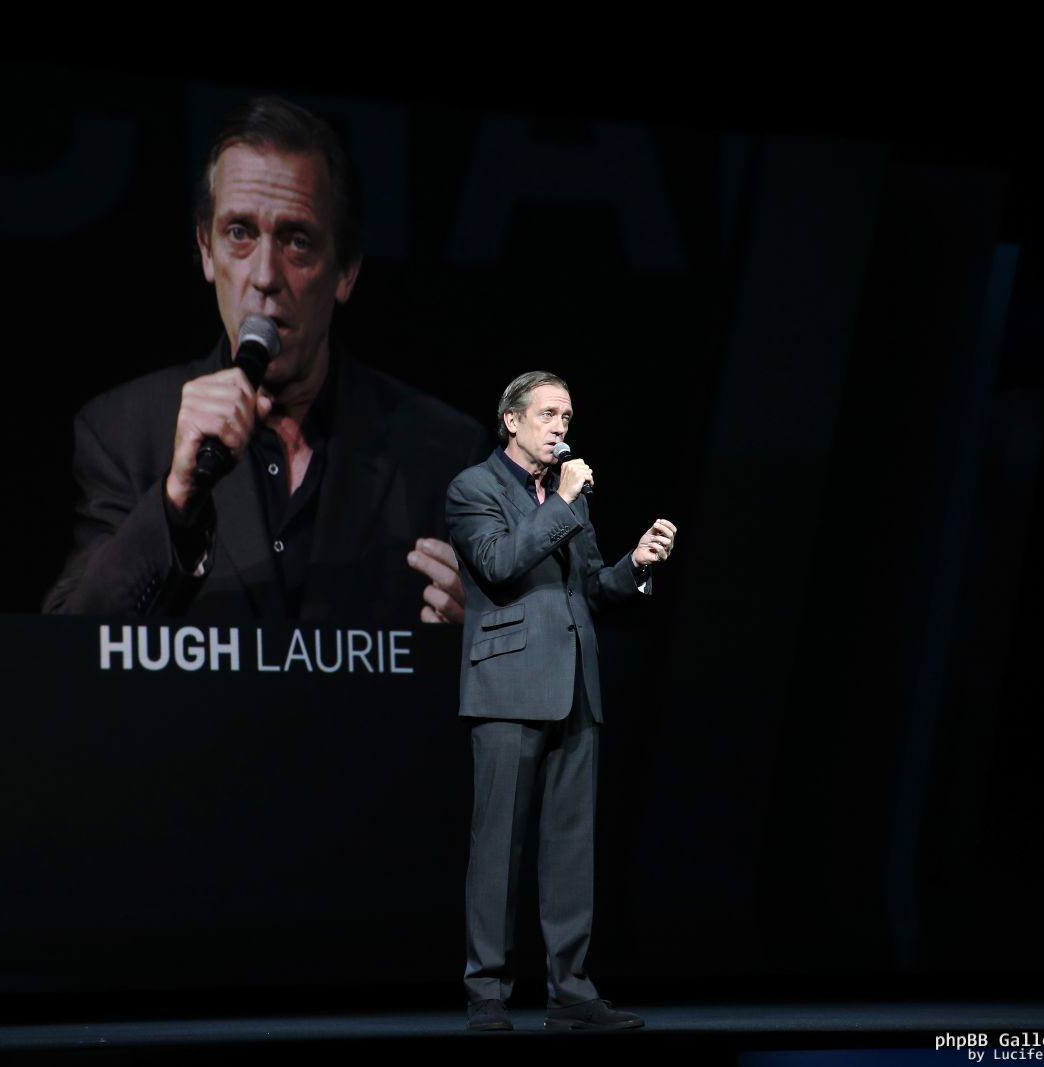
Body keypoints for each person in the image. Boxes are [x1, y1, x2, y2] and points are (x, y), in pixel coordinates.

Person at [42, 97, 487, 622]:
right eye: (239, 233)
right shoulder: (124, 432)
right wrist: (175, 499)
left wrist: (481, 636)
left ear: (345, 270)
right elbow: (66, 647)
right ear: (206, 250)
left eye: (297, 242)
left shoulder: (444, 451)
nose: (265, 276)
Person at [447, 371, 676, 1032]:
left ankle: (571, 992)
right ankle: (487, 993)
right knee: (498, 849)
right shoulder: (474, 488)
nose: (560, 427)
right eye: (547, 414)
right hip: (508, 688)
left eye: (567, 416)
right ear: (512, 421)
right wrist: (564, 501)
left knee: (572, 848)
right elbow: (497, 564)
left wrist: (636, 564)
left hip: (575, 685)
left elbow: (593, 590)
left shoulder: (568, 497)